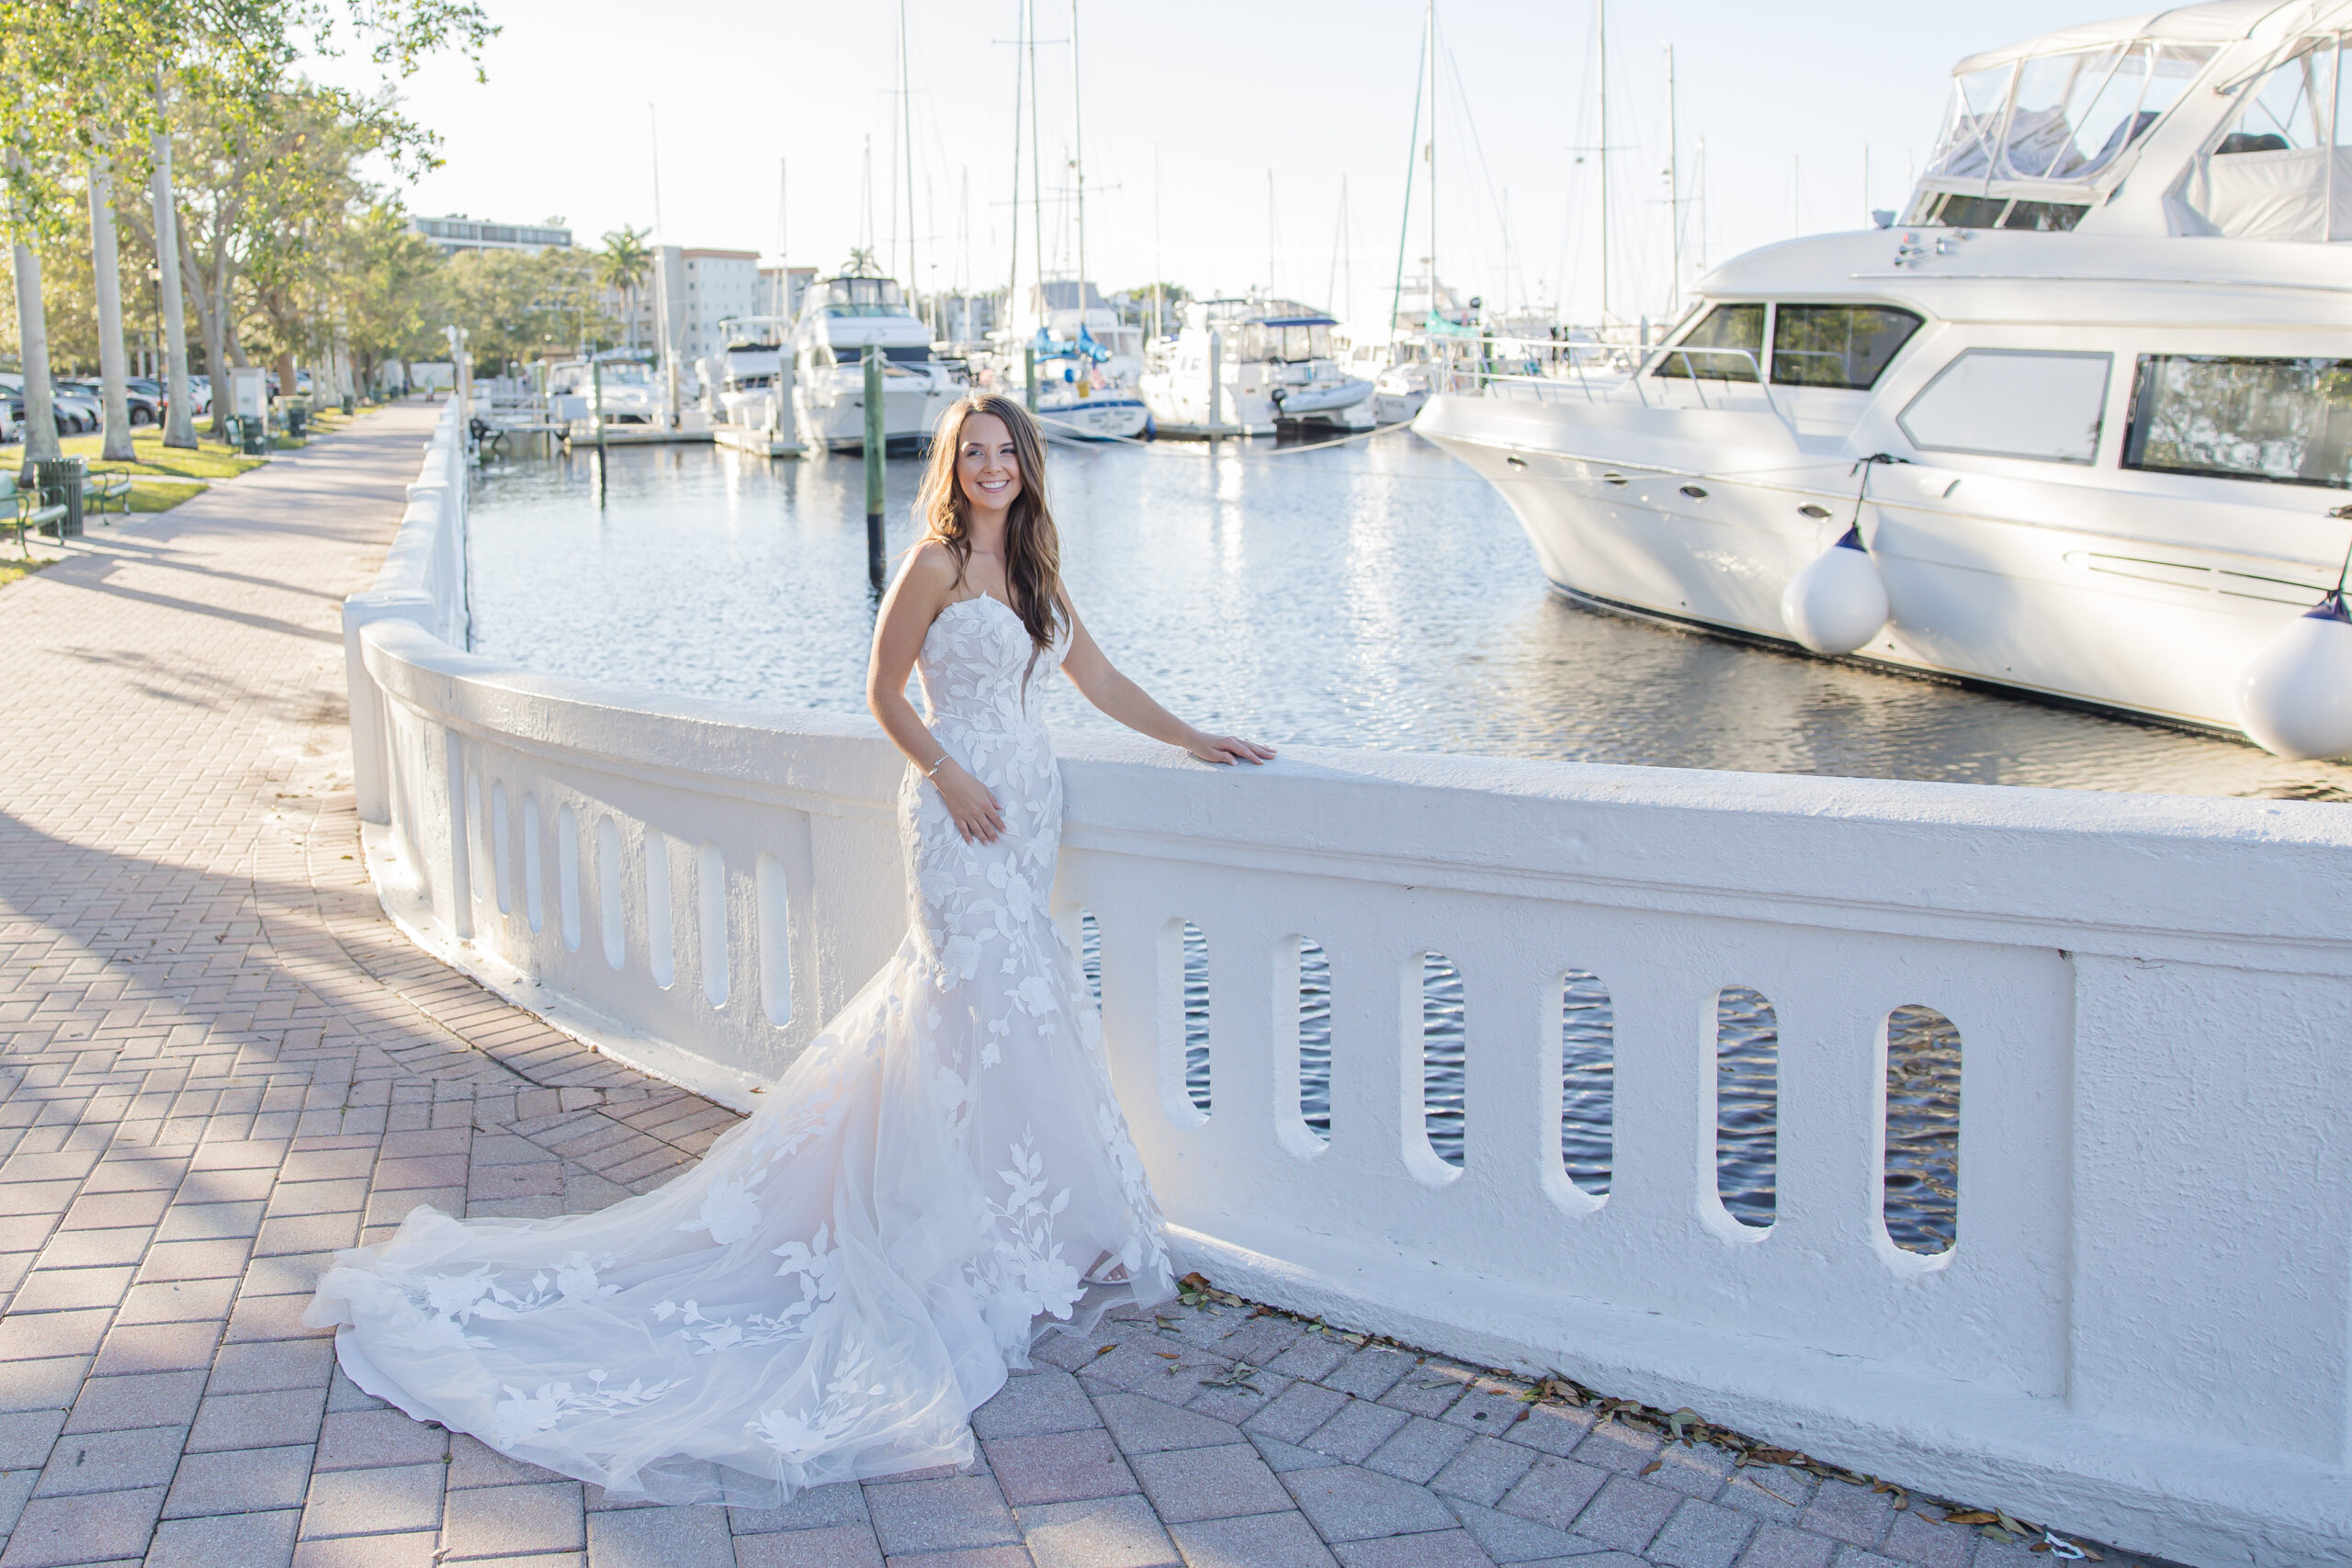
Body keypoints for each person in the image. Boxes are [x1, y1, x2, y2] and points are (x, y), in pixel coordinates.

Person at [305, 393, 1274, 1507]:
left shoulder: (1041, 573)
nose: (992, 468)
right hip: (959, 816)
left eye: (1006, 452)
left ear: (1028, 464)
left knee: (1011, 1011)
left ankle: (1009, 1224)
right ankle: (928, 1235)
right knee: (967, 994)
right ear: (953, 468)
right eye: (974, 454)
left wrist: (1194, 734)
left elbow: (1095, 683)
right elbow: (880, 693)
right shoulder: (933, 564)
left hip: (1030, 812)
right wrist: (947, 774)